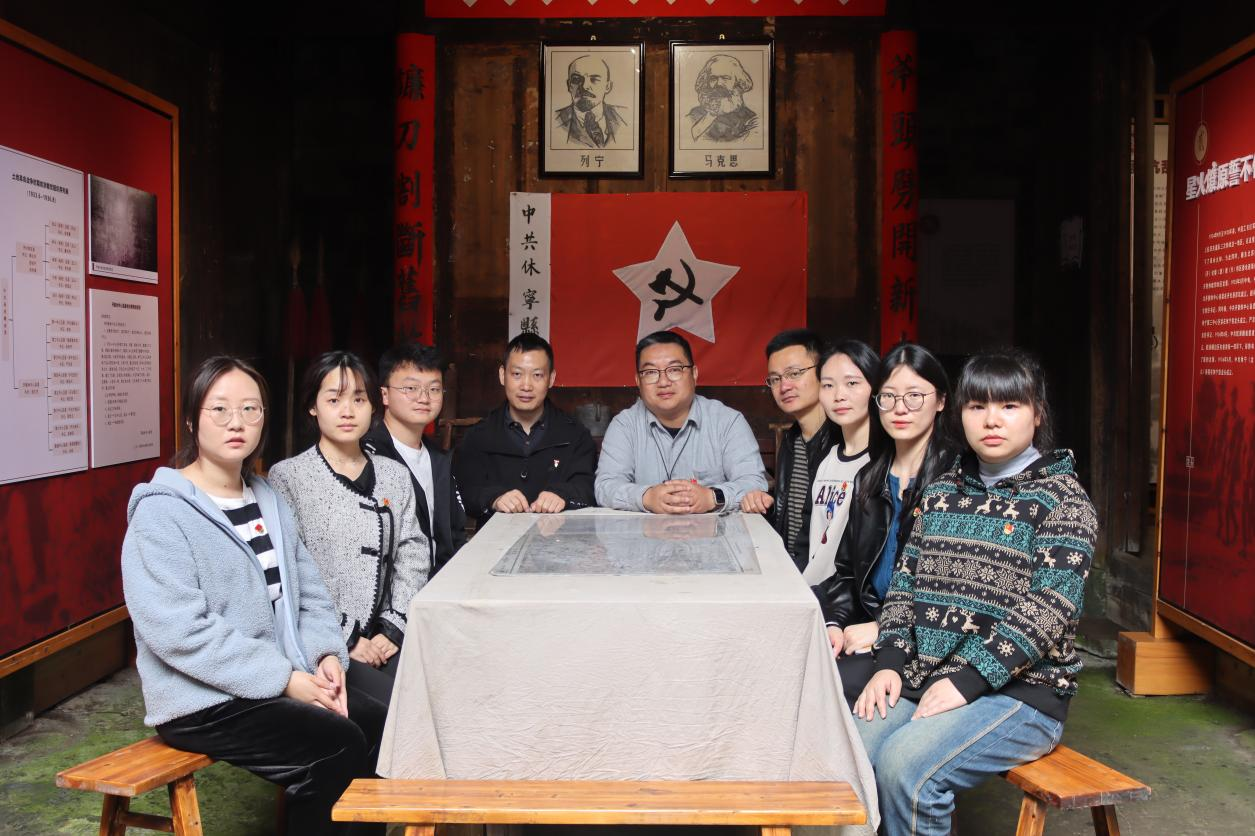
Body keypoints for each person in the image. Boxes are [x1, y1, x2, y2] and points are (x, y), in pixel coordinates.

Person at [122, 356, 385, 836]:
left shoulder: (267, 500)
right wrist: (284, 679)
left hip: (277, 677)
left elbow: (310, 595)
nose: (236, 422)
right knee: (337, 745)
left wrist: (325, 654)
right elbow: (180, 632)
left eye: (250, 409)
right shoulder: (161, 514)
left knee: (377, 724)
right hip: (203, 698)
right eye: (220, 409)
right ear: (192, 420)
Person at [851, 349, 1098, 836]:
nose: (991, 420)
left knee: (907, 768)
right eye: (977, 406)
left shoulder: (1063, 501)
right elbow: (904, 587)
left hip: (1023, 693)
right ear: (959, 413)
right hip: (928, 673)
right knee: (850, 753)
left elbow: (1048, 609)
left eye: (1009, 406)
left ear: (1037, 414)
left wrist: (969, 680)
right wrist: (889, 663)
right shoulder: (942, 491)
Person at [268, 351, 430, 705]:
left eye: (358, 399)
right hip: (324, 643)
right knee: (397, 708)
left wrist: (393, 627)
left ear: (373, 405)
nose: (348, 411)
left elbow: (413, 552)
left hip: (387, 637)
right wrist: (349, 638)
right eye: (334, 399)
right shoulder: (289, 477)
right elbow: (290, 572)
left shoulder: (394, 475)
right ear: (313, 407)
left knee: (435, 692)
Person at [814, 343, 955, 672]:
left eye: (914, 396)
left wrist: (883, 629)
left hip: (925, 644)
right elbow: (848, 573)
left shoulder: (958, 480)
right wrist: (835, 622)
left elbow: (957, 593)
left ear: (941, 401)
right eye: (888, 396)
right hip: (867, 626)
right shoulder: (869, 478)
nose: (899, 408)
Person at [596, 330, 767, 513]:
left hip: (714, 530)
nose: (663, 382)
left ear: (694, 374)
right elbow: (605, 487)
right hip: (645, 531)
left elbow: (754, 483)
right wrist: (647, 497)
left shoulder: (727, 422)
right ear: (638, 380)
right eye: (651, 372)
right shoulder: (624, 426)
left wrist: (712, 497)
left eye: (674, 370)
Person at [453, 333, 597, 527]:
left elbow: (588, 486)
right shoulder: (478, 436)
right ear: (502, 375)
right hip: (496, 541)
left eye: (537, 375)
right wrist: (494, 498)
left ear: (551, 378)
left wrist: (563, 495)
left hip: (558, 540)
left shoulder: (575, 435)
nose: (526, 386)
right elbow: (465, 490)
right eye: (517, 374)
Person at [362, 343, 467, 577]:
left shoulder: (440, 458)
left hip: (440, 585)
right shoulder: (368, 456)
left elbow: (455, 533)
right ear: (385, 394)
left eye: (434, 389)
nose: (424, 398)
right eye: (411, 388)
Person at [740, 329, 837, 572]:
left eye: (794, 373)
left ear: (822, 372)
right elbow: (792, 520)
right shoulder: (791, 440)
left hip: (821, 580)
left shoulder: (841, 442)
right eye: (775, 379)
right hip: (789, 570)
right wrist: (765, 504)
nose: (784, 386)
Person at [801, 339, 880, 585]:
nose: (838, 396)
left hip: (845, 599)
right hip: (811, 592)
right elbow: (807, 535)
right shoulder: (825, 456)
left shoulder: (882, 462)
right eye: (828, 385)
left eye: (852, 383)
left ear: (876, 388)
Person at [554, 54, 630, 149]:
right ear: (569, 85)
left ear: (607, 86)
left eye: (594, 79)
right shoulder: (554, 121)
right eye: (576, 79)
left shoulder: (627, 117)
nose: (585, 86)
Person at [686, 53, 759, 143]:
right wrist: (710, 116)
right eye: (713, 78)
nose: (719, 83)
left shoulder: (750, 120)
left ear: (737, 82)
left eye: (725, 78)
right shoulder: (694, 114)